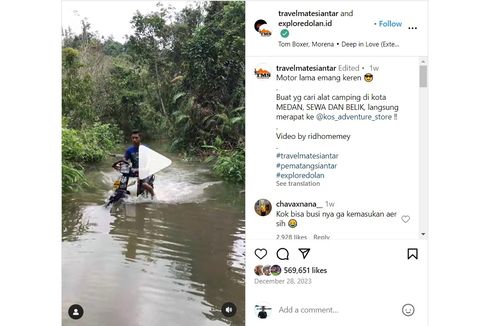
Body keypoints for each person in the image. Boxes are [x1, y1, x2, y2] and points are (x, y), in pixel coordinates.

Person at [124, 130, 155, 198]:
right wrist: (124, 165)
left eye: (136, 137)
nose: (134, 140)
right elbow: (125, 161)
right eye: (133, 138)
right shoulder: (129, 150)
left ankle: (153, 195)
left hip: (146, 171)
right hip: (134, 171)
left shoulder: (145, 148)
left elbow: (150, 159)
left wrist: (146, 168)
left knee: (144, 184)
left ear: (140, 138)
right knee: (123, 183)